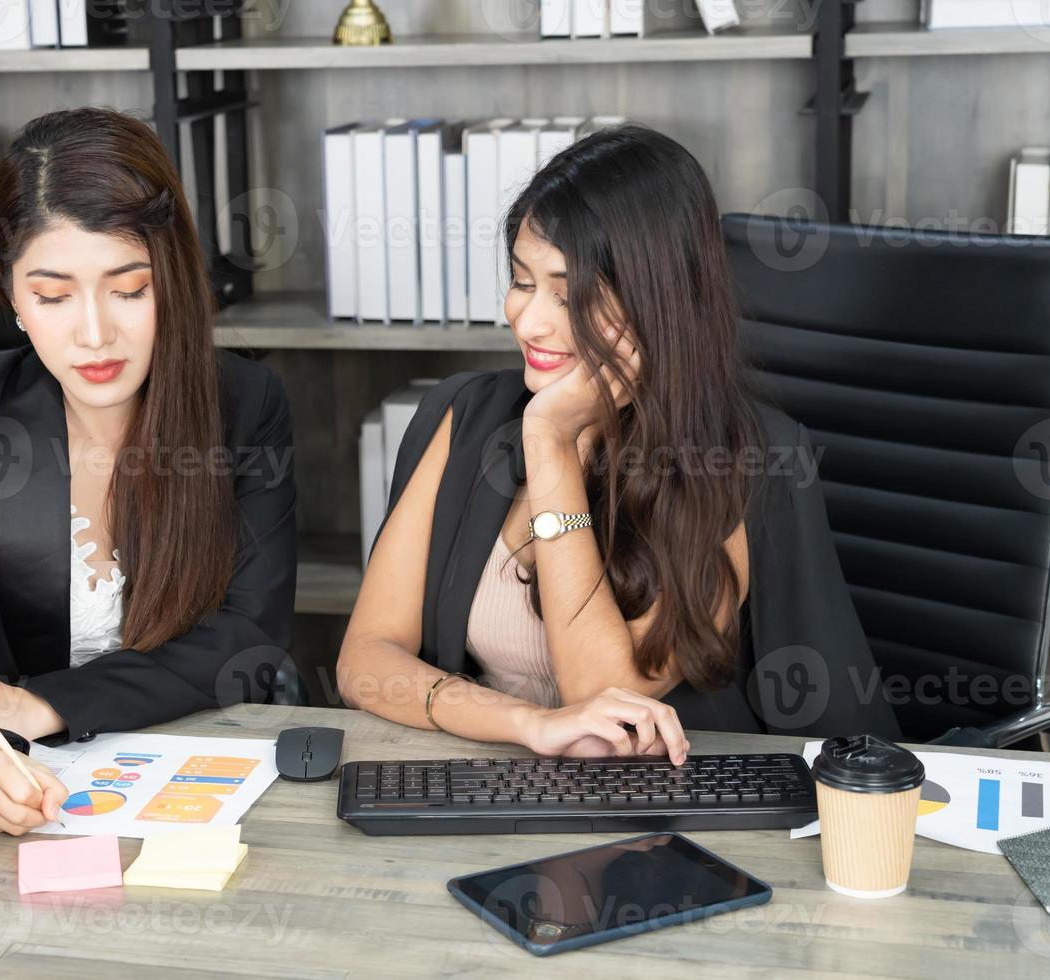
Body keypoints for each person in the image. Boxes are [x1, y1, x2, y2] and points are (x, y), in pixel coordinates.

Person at [336, 124, 899, 760]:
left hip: (665, 814)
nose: (529, 319)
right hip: (495, 785)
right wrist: (524, 723)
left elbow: (606, 699)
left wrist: (549, 442)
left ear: (655, 303)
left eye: (572, 293)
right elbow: (365, 659)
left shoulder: (744, 461)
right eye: (524, 282)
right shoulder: (465, 415)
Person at [0, 106, 298, 835]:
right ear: (13, 292)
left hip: (198, 785)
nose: (94, 334)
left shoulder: (244, 406)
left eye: (129, 289)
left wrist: (37, 705)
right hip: (27, 799)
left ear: (172, 280)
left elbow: (248, 637)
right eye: (53, 296)